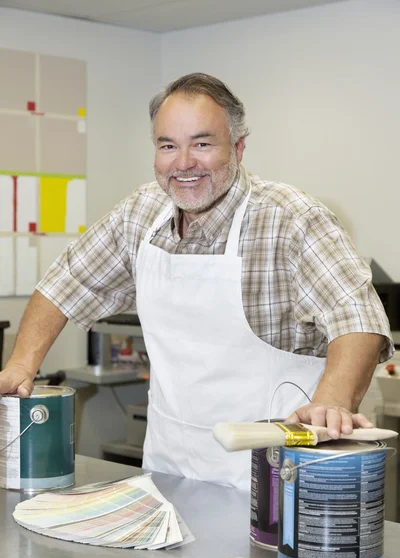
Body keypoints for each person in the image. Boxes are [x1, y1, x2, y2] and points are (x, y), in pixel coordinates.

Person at [0, 73, 393, 489]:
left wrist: (332, 400)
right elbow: (66, 284)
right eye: (168, 146)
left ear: (238, 148)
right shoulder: (141, 212)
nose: (183, 163)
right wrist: (21, 367)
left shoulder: (291, 219)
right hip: (171, 464)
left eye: (202, 144)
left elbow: (358, 319)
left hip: (279, 473)